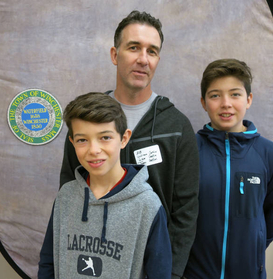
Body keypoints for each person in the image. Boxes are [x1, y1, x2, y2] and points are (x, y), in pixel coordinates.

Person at [60, 10, 199, 279]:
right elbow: (69, 190)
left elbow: (186, 210)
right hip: (88, 262)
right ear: (115, 54)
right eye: (134, 47)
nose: (143, 60)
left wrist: (169, 273)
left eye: (152, 51)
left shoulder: (176, 127)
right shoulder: (85, 118)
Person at [38, 92, 172, 278]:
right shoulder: (65, 196)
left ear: (124, 138)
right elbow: (48, 262)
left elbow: (160, 273)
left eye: (105, 137)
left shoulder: (147, 205)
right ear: (72, 142)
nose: (94, 150)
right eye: (82, 140)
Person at [184, 59, 273, 279]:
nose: (226, 103)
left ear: (248, 99)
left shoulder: (268, 153)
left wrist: (251, 251)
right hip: (195, 274)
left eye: (235, 94)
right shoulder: (189, 150)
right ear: (203, 102)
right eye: (215, 95)